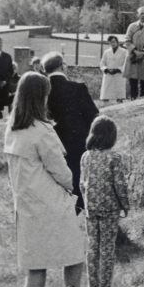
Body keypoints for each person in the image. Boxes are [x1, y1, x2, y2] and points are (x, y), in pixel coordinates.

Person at [3, 72, 86, 287]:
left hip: (27, 204)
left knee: (36, 267)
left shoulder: (12, 128)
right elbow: (60, 171)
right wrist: (74, 186)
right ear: (42, 96)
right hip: (51, 203)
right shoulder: (42, 131)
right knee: (74, 256)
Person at [79, 116, 129, 287]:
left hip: (91, 208)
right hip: (109, 209)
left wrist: (86, 202)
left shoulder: (86, 156)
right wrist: (125, 205)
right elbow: (120, 184)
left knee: (92, 248)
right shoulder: (114, 157)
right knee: (107, 248)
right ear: (111, 136)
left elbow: (82, 183)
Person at [43, 51, 100, 212]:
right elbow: (93, 116)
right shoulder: (78, 88)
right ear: (62, 66)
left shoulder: (42, 90)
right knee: (77, 179)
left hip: (50, 143)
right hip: (78, 142)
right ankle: (78, 207)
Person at [98, 35, 128, 104]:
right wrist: (106, 69)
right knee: (106, 92)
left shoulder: (124, 52)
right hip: (108, 73)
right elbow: (102, 63)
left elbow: (126, 64)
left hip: (119, 74)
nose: (112, 44)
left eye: (113, 42)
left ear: (117, 42)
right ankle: (105, 104)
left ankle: (119, 103)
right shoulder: (107, 52)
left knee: (119, 92)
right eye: (110, 42)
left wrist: (118, 69)